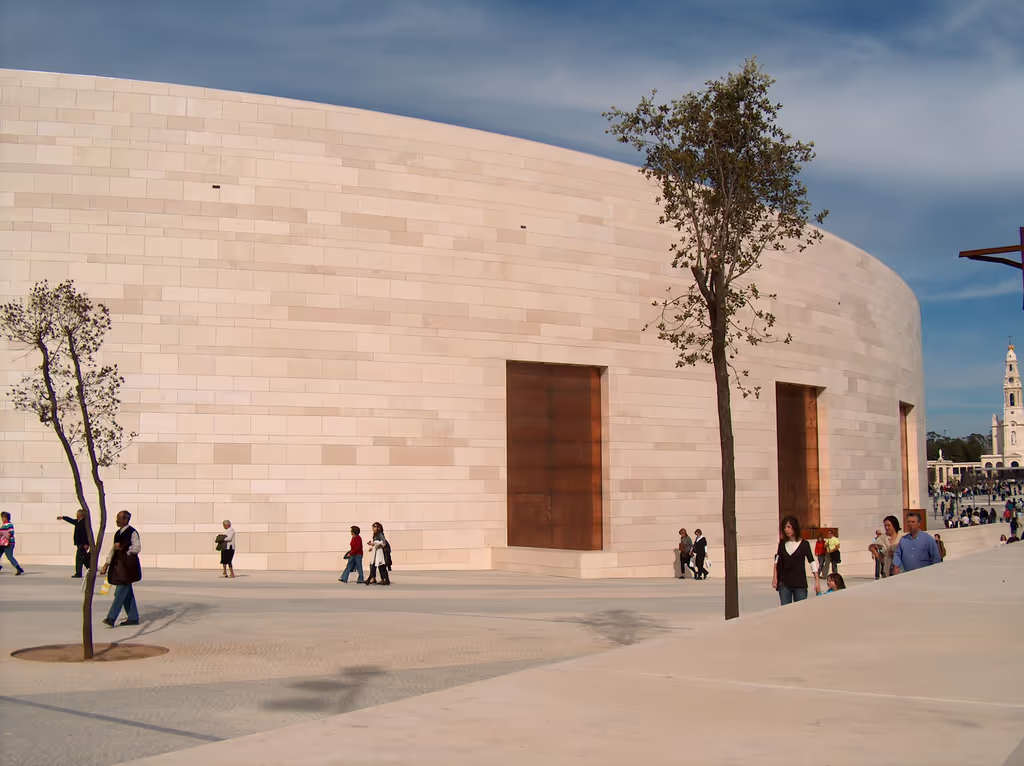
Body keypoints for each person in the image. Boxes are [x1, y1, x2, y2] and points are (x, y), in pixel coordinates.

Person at [100, 511, 142, 627]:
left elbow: (136, 548)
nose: (117, 521)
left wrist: (124, 549)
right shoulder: (118, 533)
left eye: (119, 519)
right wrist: (107, 563)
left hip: (127, 568)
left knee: (120, 592)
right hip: (118, 568)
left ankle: (111, 617)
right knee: (127, 593)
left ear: (125, 520)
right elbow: (113, 549)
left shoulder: (132, 532)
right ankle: (133, 617)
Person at [772, 515, 820, 605]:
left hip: (800, 585)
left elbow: (812, 562)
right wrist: (775, 577)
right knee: (785, 611)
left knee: (800, 612)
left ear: (795, 527)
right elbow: (777, 560)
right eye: (785, 527)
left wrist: (817, 580)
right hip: (784, 584)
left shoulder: (804, 544)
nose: (786, 529)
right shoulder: (782, 543)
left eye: (789, 527)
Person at [58, 509, 91, 578]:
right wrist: (63, 517)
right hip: (79, 543)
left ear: (81, 515)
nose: (76, 515)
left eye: (77, 514)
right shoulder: (78, 522)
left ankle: (78, 573)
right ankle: (91, 568)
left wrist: (86, 543)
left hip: (82, 543)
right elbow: (71, 520)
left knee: (79, 558)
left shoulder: (84, 523)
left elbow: (86, 534)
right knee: (83, 558)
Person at [365, 522, 391, 586]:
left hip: (381, 553)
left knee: (379, 566)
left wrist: (374, 544)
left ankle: (371, 579)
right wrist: (372, 546)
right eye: (373, 526)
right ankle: (384, 580)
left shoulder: (380, 534)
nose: (374, 528)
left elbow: (383, 543)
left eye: (375, 526)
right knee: (378, 566)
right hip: (376, 553)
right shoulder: (375, 535)